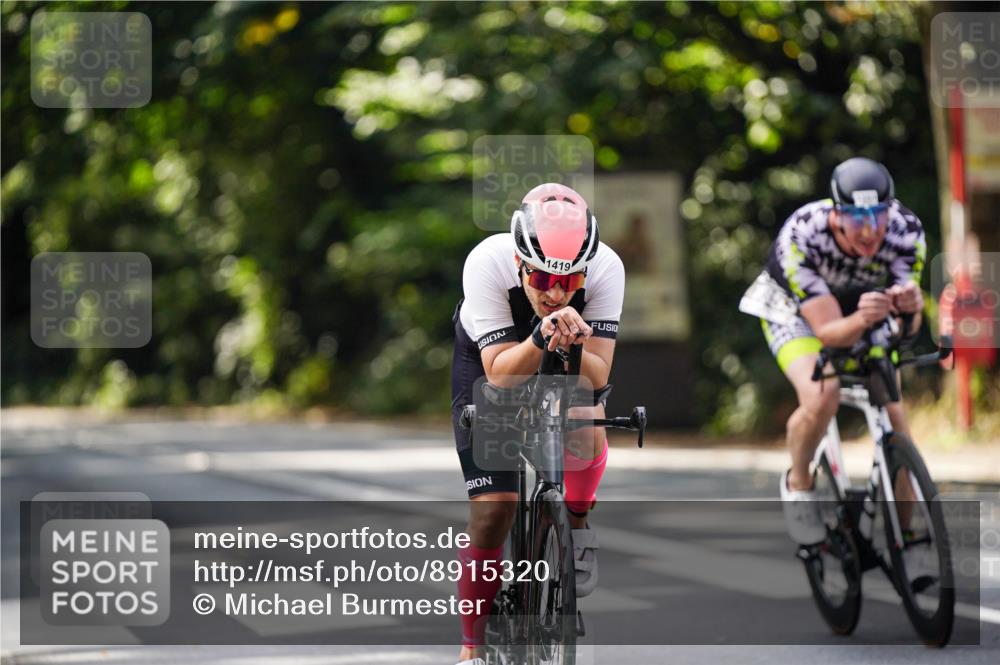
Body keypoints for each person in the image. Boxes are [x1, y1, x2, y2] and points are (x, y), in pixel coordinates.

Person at [450, 183, 625, 665]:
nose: (555, 292)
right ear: (520, 262)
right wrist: (539, 336)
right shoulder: (486, 262)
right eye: (543, 278)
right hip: (493, 359)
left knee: (587, 418)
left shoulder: (608, 267)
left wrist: (574, 345)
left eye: (570, 281)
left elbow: (598, 375)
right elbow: (500, 375)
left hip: (567, 351)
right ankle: (472, 647)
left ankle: (577, 526)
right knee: (494, 511)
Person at [739, 157, 926, 545]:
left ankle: (906, 541)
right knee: (823, 395)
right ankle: (799, 482)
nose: (870, 230)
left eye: (878, 215)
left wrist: (912, 310)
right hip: (796, 315)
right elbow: (827, 333)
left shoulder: (906, 230)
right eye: (857, 218)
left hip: (864, 309)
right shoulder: (804, 233)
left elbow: (907, 330)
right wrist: (864, 318)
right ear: (836, 213)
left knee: (896, 417)